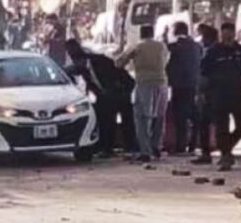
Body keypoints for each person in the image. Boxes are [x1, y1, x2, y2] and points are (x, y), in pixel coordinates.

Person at [65, 39, 137, 158]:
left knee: (127, 120)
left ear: (82, 60)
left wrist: (119, 91)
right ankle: (106, 147)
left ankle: (131, 147)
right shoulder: (83, 69)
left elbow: (120, 76)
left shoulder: (101, 61)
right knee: (104, 120)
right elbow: (90, 82)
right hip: (104, 95)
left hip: (121, 91)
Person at [199, 22, 241, 171]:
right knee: (221, 127)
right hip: (218, 95)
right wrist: (201, 93)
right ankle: (225, 156)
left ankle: (227, 147)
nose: (227, 37)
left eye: (230, 34)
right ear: (221, 35)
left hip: (237, 94)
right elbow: (203, 74)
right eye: (225, 34)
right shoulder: (213, 52)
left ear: (234, 34)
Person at [116, 24, 168, 162]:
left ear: (141, 34)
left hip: (144, 83)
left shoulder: (137, 46)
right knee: (159, 117)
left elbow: (119, 63)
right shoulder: (162, 46)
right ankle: (156, 147)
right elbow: (166, 61)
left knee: (142, 118)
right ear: (152, 33)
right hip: (162, 83)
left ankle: (145, 151)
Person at [166, 22, 202, 154]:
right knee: (192, 113)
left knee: (180, 116)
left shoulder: (175, 46)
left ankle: (181, 146)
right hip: (193, 83)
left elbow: (167, 61)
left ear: (175, 31)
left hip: (179, 84)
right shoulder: (197, 46)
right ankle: (193, 142)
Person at [191, 24, 218, 162]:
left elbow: (203, 75)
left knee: (204, 122)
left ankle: (206, 153)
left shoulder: (209, 53)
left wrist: (199, 92)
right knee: (218, 122)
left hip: (209, 92)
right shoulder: (218, 51)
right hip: (219, 91)